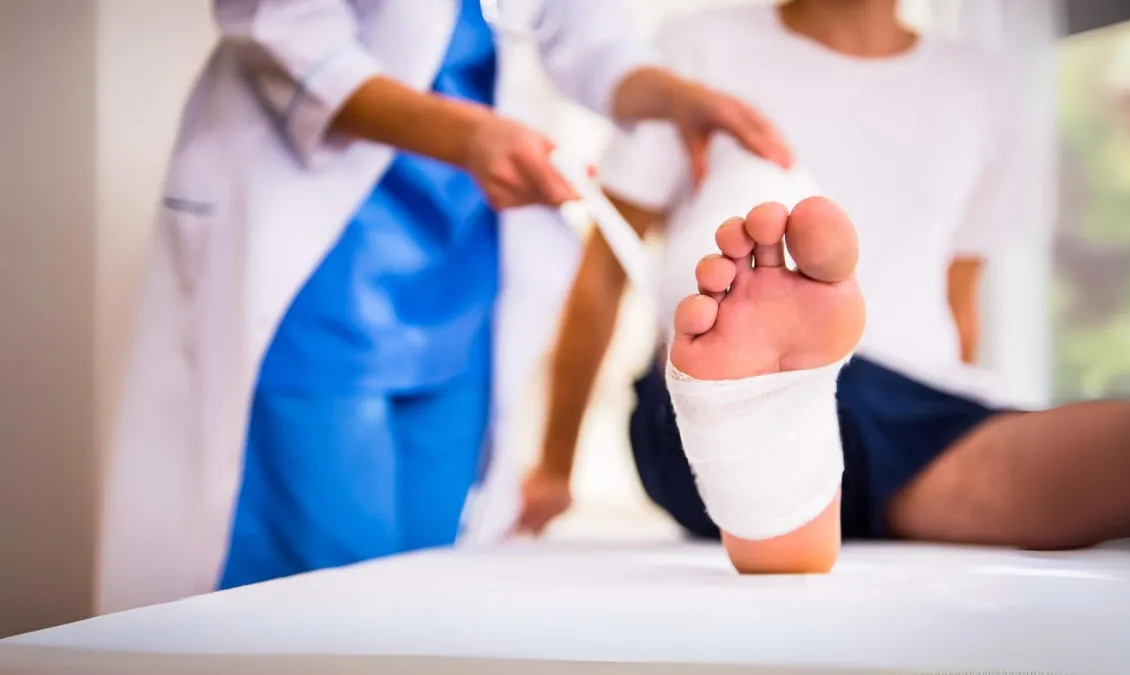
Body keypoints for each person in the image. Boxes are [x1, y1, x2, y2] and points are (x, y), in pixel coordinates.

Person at [96, 0, 794, 612]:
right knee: (327, 591)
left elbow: (591, 35)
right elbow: (280, 23)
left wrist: (673, 95)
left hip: (464, 254)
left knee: (423, 570)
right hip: (325, 252)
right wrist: (467, 137)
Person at [517, 0, 1130, 569]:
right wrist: (553, 462)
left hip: (919, 392)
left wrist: (952, 392)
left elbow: (958, 299)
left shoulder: (988, 86)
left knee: (1000, 466)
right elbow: (603, 275)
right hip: (700, 389)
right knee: (966, 471)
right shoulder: (695, 52)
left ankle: (780, 473)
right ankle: (767, 412)